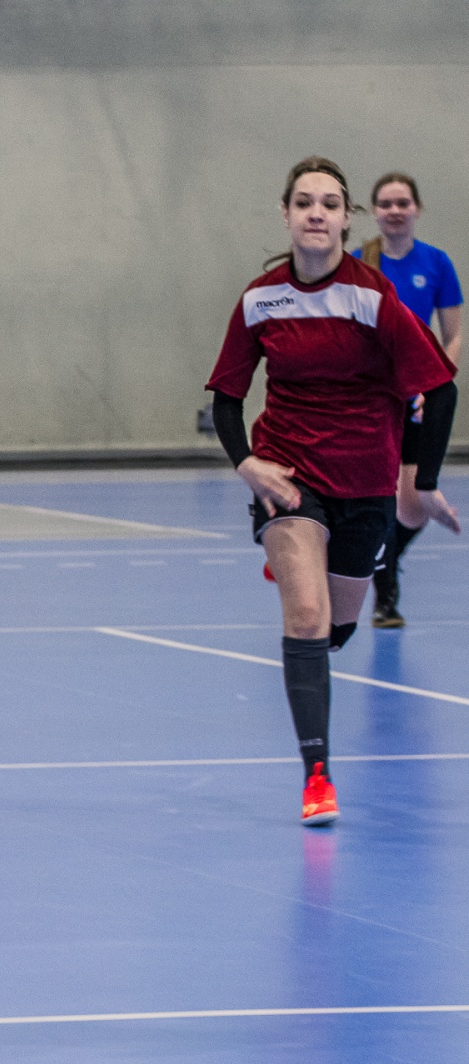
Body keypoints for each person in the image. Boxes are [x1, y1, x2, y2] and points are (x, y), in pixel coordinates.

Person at [207, 157, 455, 826]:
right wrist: (247, 463)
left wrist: (425, 484)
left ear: (347, 219)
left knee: (338, 629)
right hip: (289, 477)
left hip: (367, 483)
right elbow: (226, 399)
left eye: (330, 204)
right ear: (286, 214)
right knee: (307, 617)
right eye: (304, 202)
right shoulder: (260, 300)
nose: (316, 213)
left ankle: (302, 568)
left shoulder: (373, 297)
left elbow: (441, 388)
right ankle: (317, 775)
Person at [354, 172, 464, 626]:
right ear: (374, 211)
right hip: (376, 397)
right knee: (379, 497)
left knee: (414, 506)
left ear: (417, 208)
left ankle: (383, 559)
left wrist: (431, 386)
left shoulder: (436, 263)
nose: (395, 211)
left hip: (419, 396)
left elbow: (452, 336)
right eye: (386, 204)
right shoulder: (360, 263)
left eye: (403, 203)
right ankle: (385, 596)